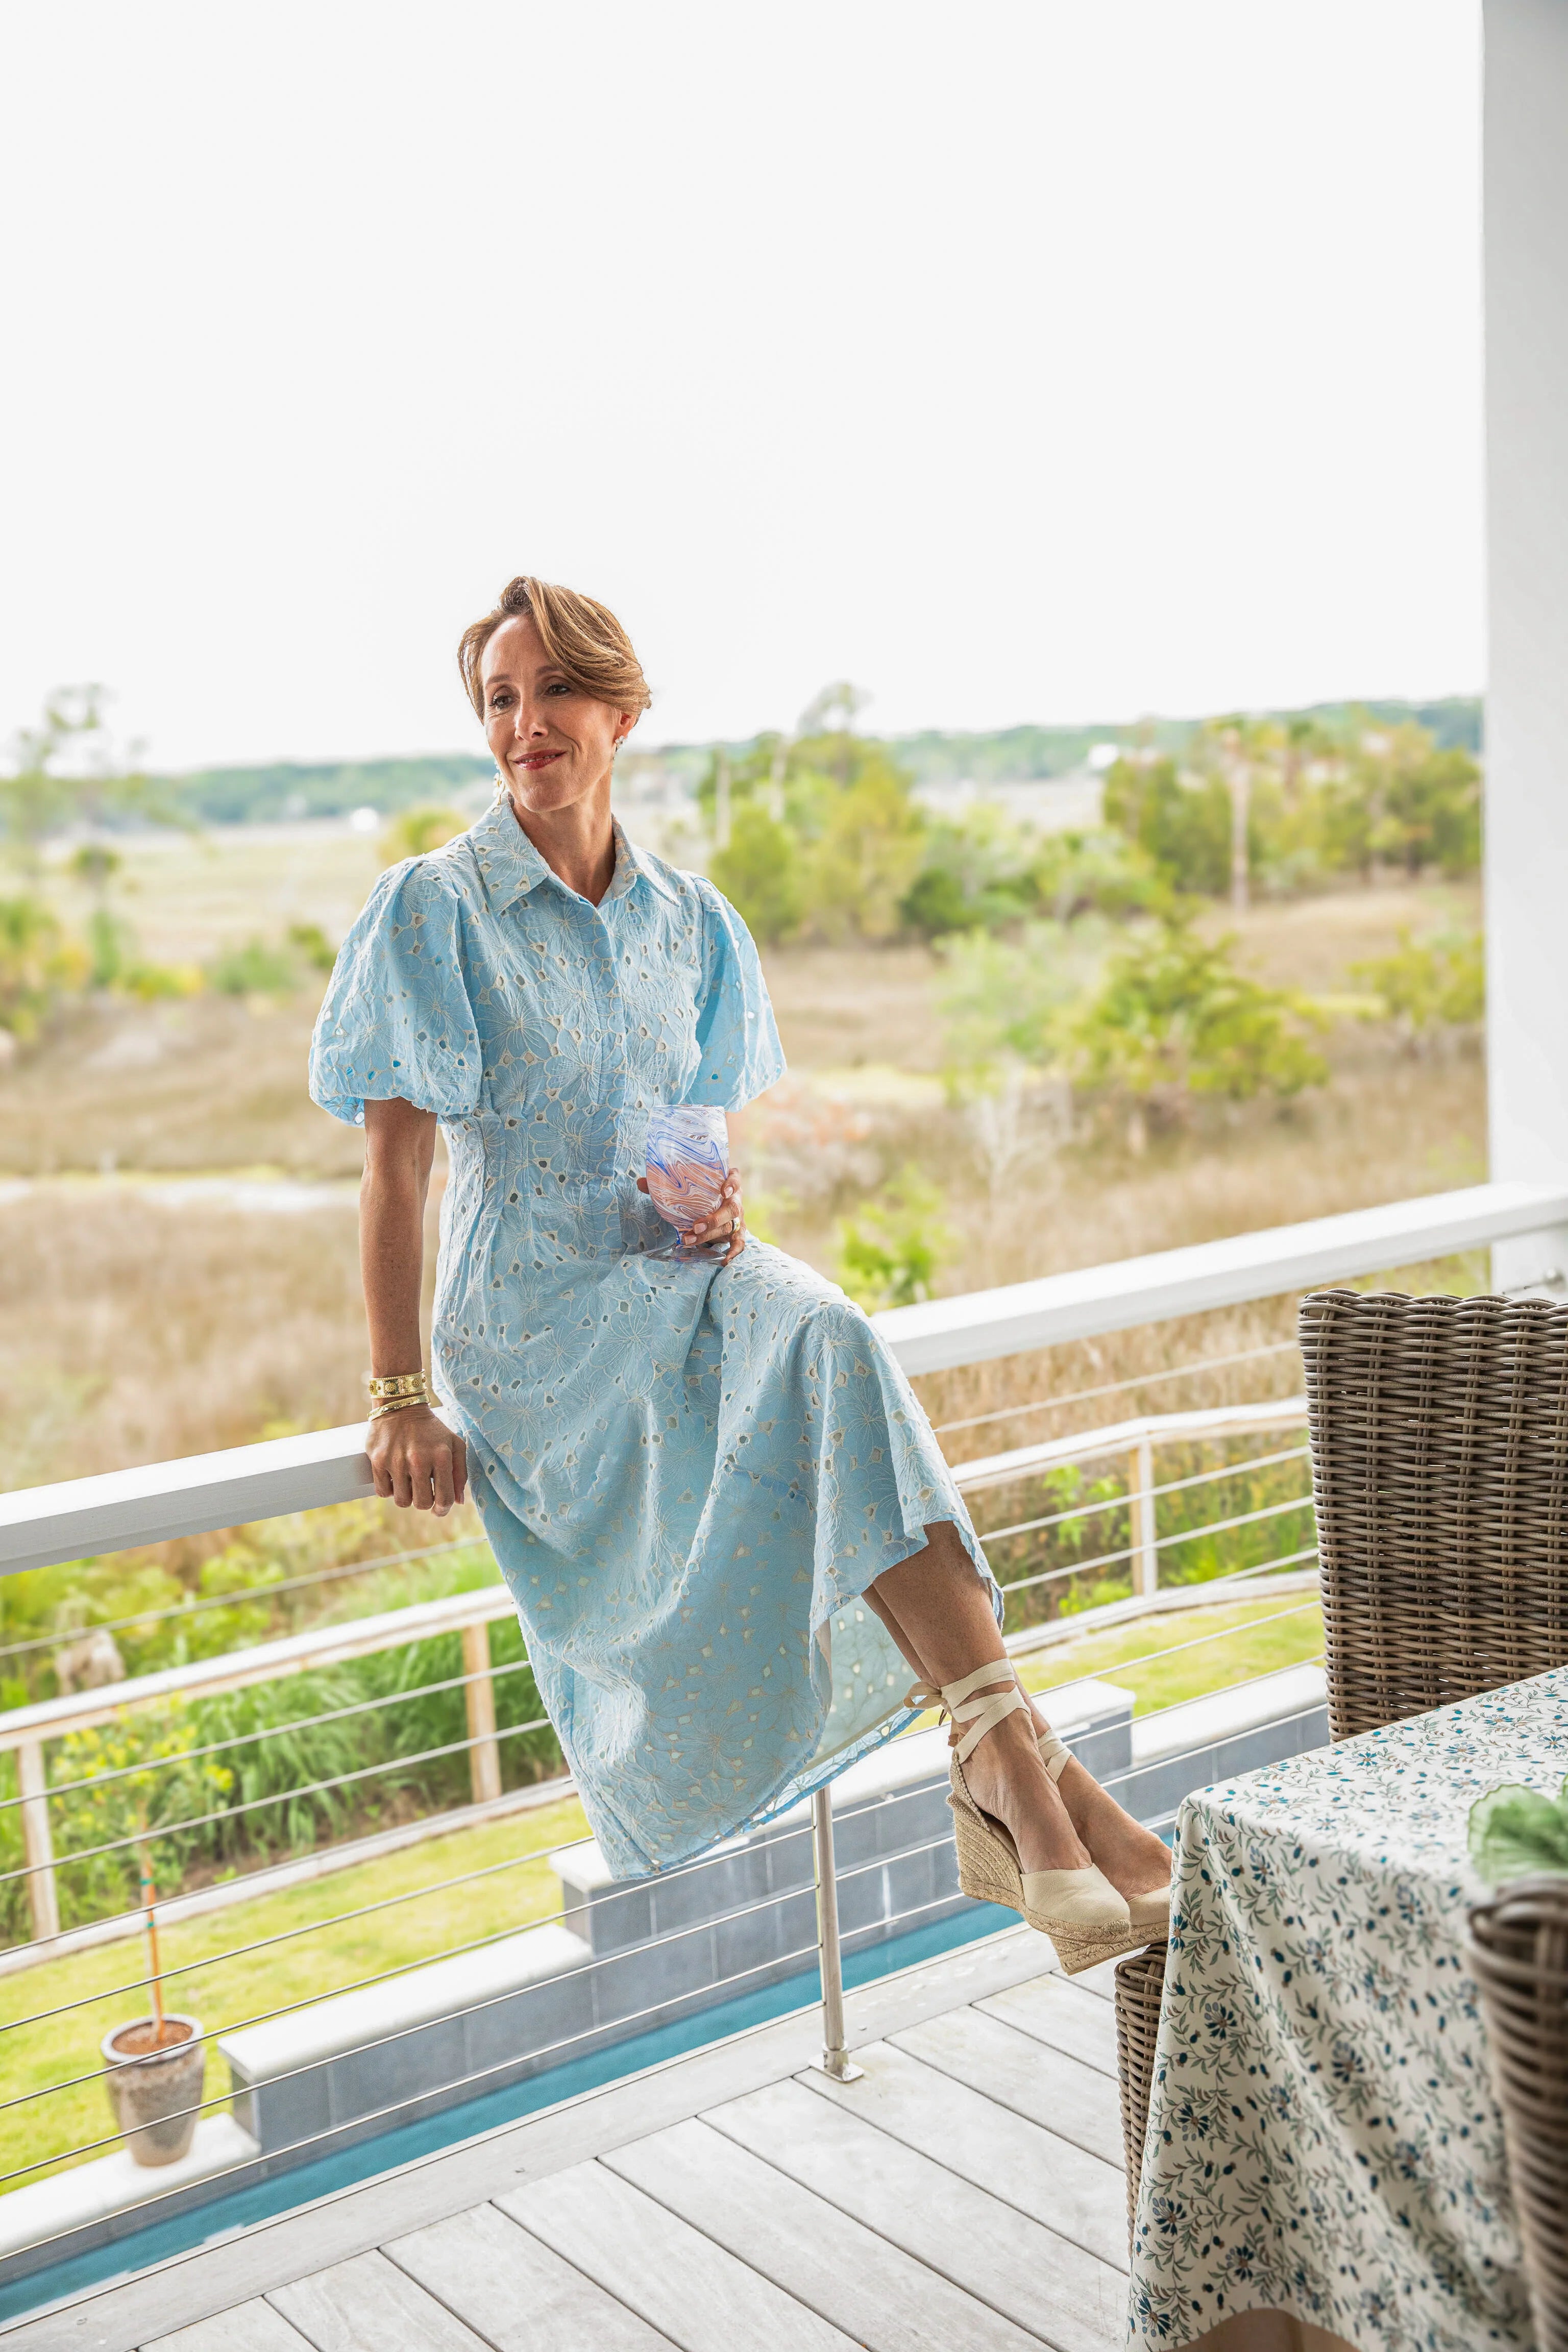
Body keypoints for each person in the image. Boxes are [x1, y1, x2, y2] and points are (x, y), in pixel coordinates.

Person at [309, 575, 1169, 1973]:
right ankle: (1040, 1790)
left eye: (554, 695)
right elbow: (393, 1169)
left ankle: (1022, 1775)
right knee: (830, 1348)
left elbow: (680, 1145)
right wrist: (398, 1390)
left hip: (671, 1279)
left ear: (623, 713)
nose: (527, 726)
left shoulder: (689, 921)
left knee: (828, 1334)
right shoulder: (432, 911)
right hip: (531, 1328)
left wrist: (704, 1202)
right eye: (501, 703)